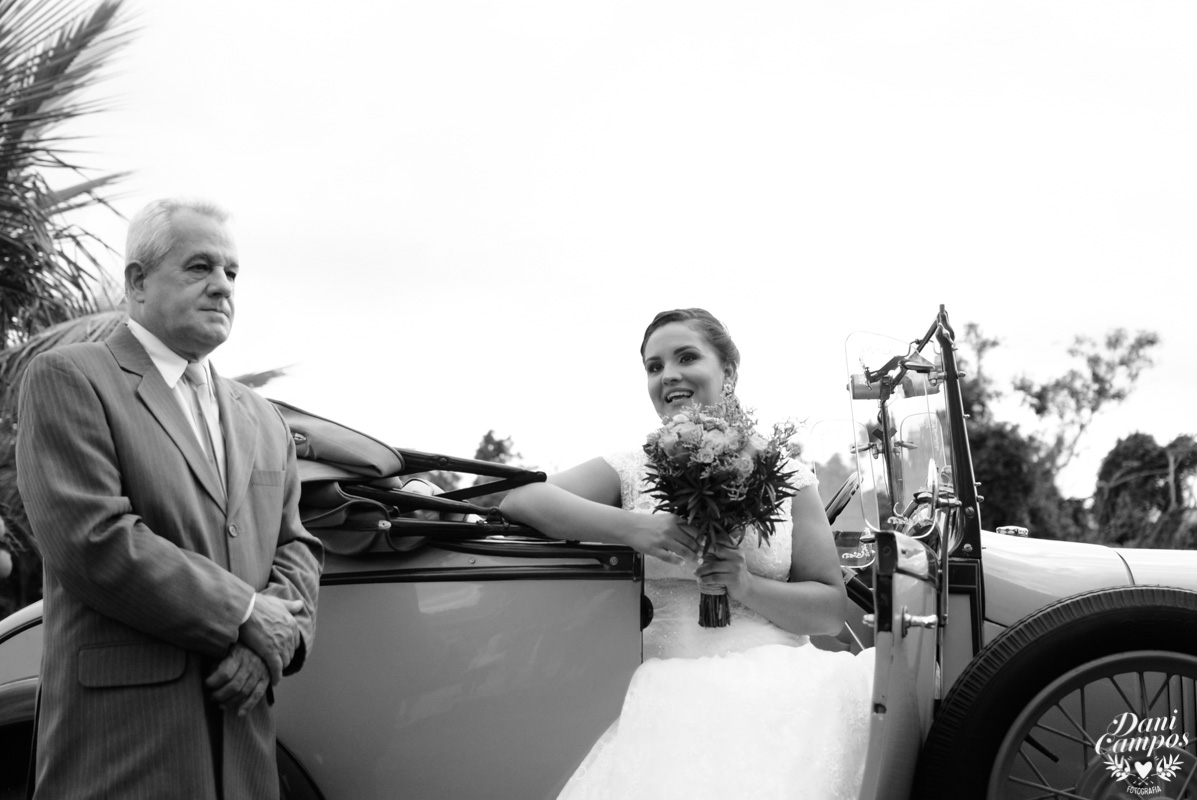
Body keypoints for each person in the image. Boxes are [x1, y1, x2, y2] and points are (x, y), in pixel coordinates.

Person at [16, 198, 323, 799]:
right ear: (137, 281)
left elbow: (297, 547)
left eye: (231, 273)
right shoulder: (69, 379)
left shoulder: (264, 419)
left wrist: (270, 648)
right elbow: (93, 540)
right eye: (199, 267)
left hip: (245, 753)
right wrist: (242, 614)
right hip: (126, 753)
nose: (222, 287)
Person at [500, 308, 874, 799]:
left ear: (729, 372)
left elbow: (829, 612)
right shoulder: (633, 468)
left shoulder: (787, 476)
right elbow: (520, 499)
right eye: (654, 367)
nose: (668, 375)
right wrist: (636, 528)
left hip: (786, 694)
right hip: (667, 700)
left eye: (686, 357)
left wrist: (746, 585)